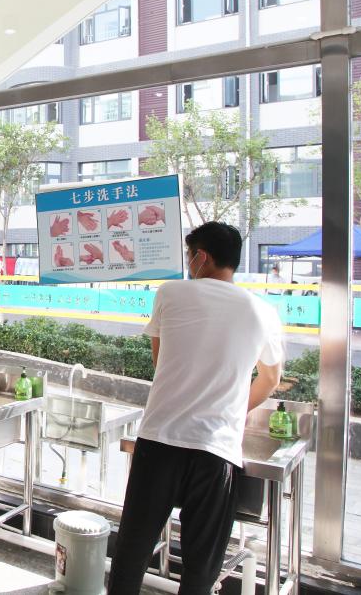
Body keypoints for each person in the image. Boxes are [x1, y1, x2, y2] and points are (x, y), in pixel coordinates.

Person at [108, 222, 285, 595]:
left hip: (160, 439)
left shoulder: (170, 293)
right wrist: (234, 405)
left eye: (190, 255)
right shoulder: (263, 311)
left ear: (201, 257)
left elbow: (161, 362)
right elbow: (271, 379)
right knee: (200, 569)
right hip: (216, 450)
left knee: (132, 551)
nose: (189, 262)